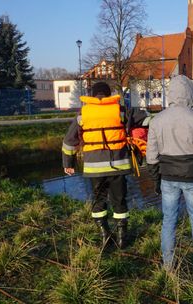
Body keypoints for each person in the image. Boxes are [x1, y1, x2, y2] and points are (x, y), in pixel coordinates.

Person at [146, 75, 193, 272]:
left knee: (168, 220)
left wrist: (156, 180)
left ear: (171, 94)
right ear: (190, 94)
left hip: (168, 178)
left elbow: (151, 158)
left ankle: (168, 264)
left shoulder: (157, 120)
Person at [62, 82, 146, 249]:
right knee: (119, 201)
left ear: (92, 96)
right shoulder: (121, 110)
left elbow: (69, 141)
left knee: (99, 200)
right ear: (108, 95)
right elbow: (144, 119)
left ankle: (105, 235)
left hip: (94, 168)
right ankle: (122, 238)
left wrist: (68, 163)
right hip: (118, 166)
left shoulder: (82, 114)